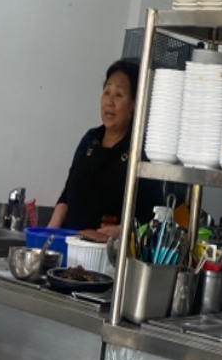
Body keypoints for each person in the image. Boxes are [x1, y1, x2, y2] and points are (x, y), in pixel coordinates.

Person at [49, 59, 159, 236]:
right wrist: (48, 234)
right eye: (107, 92)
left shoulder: (141, 150)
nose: (110, 101)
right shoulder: (90, 139)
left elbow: (155, 216)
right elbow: (66, 197)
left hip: (109, 250)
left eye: (119, 95)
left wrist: (123, 232)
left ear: (134, 105)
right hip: (69, 244)